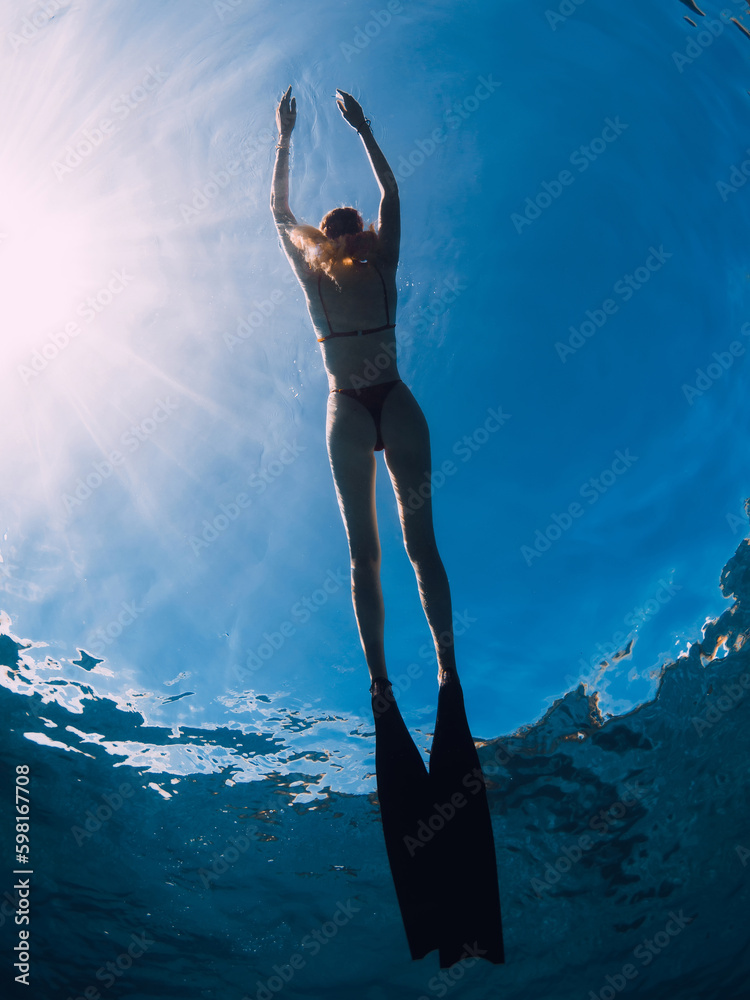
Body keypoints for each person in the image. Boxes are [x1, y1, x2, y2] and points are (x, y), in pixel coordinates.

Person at [270, 85, 504, 968]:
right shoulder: (312, 271)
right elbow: (276, 211)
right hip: (344, 402)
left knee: (418, 541)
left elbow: (395, 197)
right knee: (363, 555)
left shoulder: (385, 255)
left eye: (351, 224)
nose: (346, 230)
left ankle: (444, 665)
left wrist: (367, 129)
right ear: (327, 243)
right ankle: (380, 683)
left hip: (394, 399)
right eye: (337, 228)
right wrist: (284, 135)